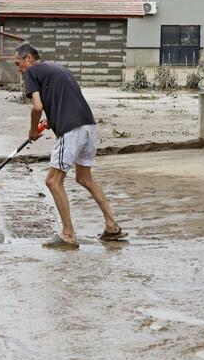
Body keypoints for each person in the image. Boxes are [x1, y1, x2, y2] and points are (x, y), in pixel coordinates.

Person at [13, 42, 126, 248]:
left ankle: (68, 234)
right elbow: (63, 99)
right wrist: (52, 119)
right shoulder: (58, 68)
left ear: (28, 58)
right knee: (85, 178)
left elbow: (37, 106)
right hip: (88, 127)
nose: (18, 69)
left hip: (71, 130)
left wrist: (32, 130)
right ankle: (112, 225)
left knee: (53, 182)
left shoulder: (31, 72)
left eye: (18, 63)